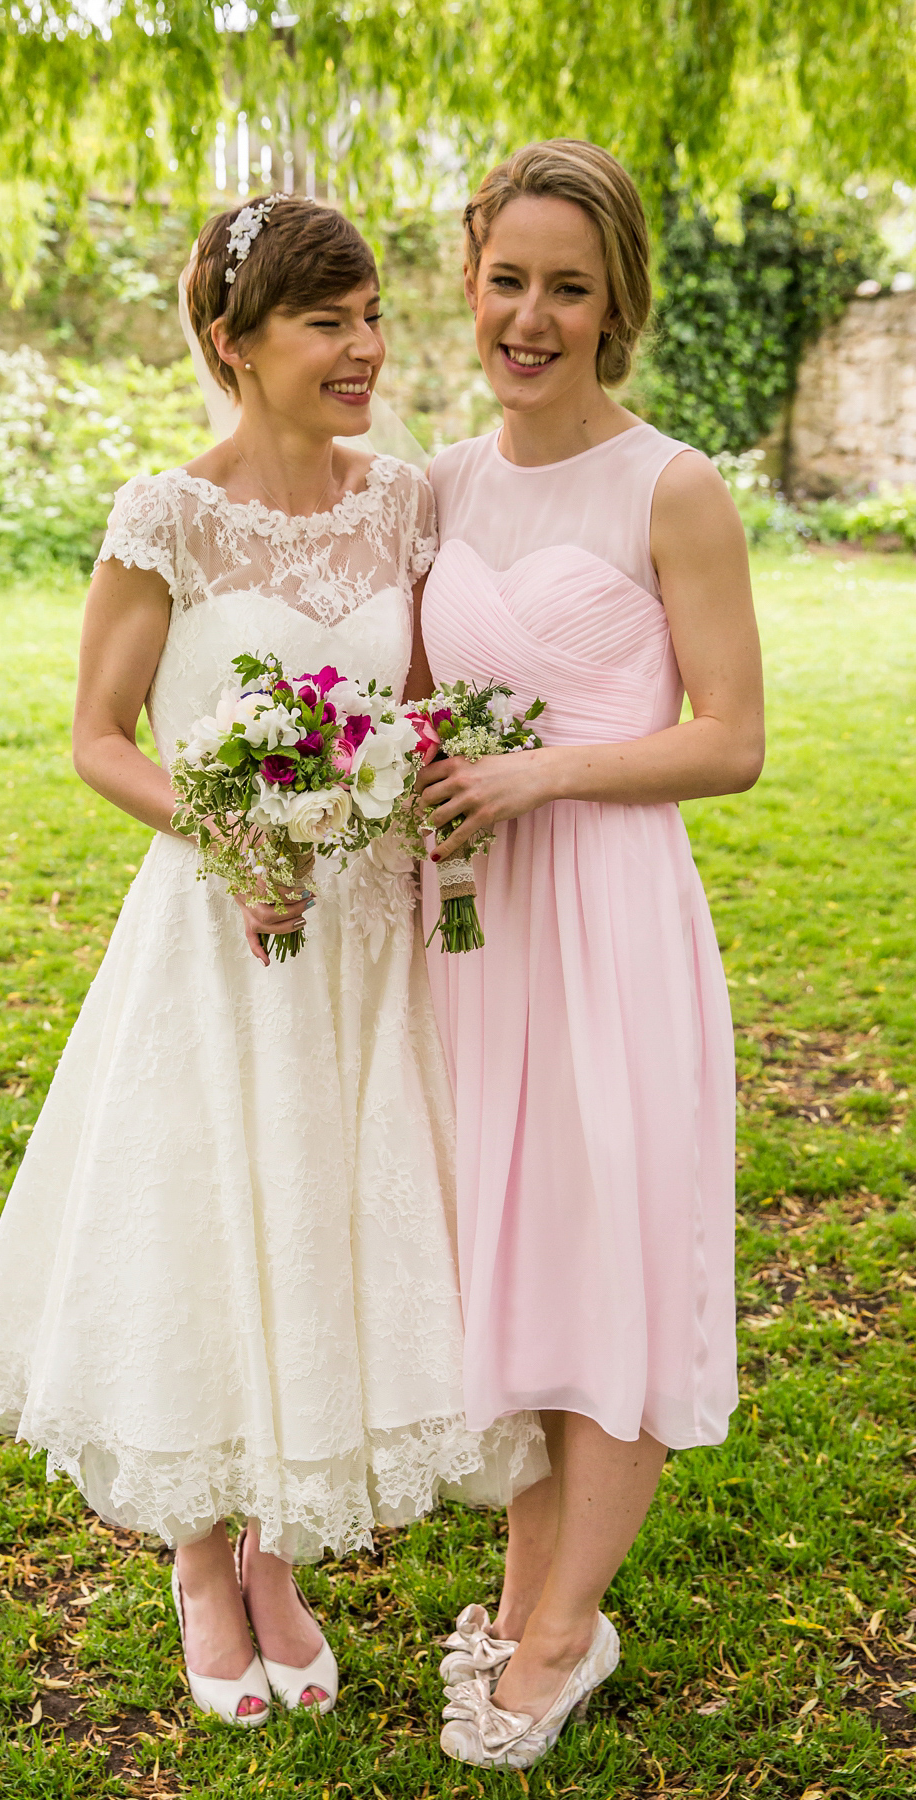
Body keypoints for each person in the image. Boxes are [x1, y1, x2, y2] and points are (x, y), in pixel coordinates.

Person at [0, 193, 545, 1730]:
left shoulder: (403, 500)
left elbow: (408, 707)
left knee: (332, 1223)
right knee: (213, 1222)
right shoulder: (168, 514)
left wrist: (424, 790)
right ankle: (203, 1566)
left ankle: (282, 1556)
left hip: (363, 941)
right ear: (235, 343)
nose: (366, 349)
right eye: (326, 323)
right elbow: (96, 738)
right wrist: (231, 838)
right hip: (226, 935)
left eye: (368, 318)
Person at [411, 140, 765, 1773]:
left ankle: (566, 1629)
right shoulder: (433, 490)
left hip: (611, 912)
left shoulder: (670, 485)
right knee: (515, 1247)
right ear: (468, 275)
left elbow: (733, 742)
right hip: (474, 929)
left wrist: (539, 772)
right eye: (508, 279)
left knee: (610, 1242)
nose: (531, 317)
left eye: (568, 286)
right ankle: (522, 1579)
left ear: (615, 299)